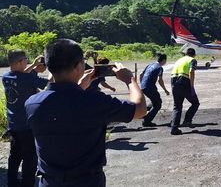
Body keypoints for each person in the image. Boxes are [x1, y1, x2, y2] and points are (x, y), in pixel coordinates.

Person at [25, 39, 146, 187]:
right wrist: (129, 79)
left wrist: (79, 86)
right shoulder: (95, 102)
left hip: (49, 181)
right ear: (79, 65)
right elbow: (140, 109)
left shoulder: (32, 103)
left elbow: (60, 102)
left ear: (49, 67)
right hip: (86, 181)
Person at [2, 50, 48, 187]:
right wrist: (52, 68)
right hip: (27, 124)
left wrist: (33, 65)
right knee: (30, 158)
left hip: (13, 124)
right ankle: (27, 183)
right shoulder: (27, 79)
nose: (27, 62)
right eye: (26, 60)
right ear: (20, 62)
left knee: (14, 155)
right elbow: (49, 82)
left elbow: (21, 75)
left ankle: (12, 182)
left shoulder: (6, 77)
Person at [170, 48, 200, 135]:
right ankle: (187, 120)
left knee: (177, 106)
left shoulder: (179, 60)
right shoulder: (192, 60)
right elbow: (191, 71)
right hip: (184, 82)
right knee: (195, 103)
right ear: (194, 55)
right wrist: (192, 86)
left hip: (173, 82)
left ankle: (174, 128)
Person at [140, 53, 169, 127]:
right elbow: (160, 80)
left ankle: (143, 113)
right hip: (150, 87)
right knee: (157, 105)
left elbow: (141, 74)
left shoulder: (150, 65)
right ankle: (146, 121)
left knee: (155, 101)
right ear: (164, 60)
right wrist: (165, 90)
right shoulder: (159, 68)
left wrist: (142, 84)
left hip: (144, 86)